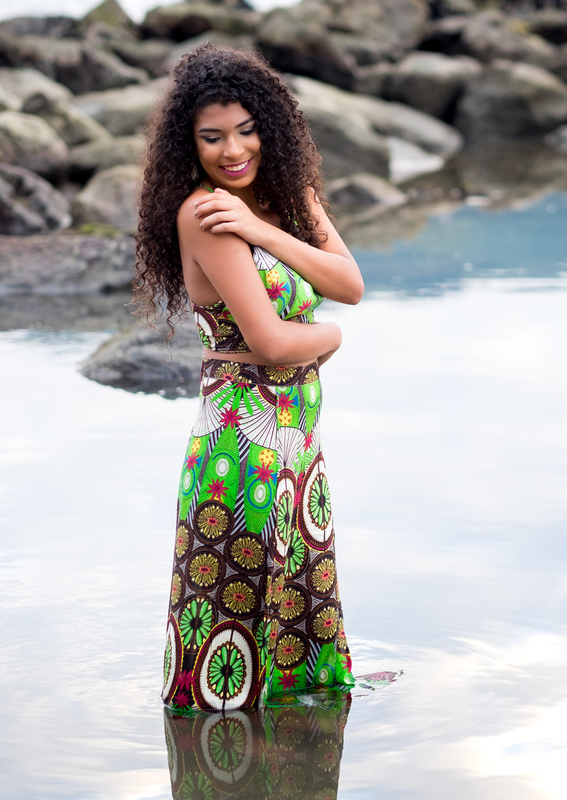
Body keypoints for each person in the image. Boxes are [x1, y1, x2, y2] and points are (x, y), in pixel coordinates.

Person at [133, 44, 364, 713]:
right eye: (211, 138)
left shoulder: (287, 199)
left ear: (271, 126)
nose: (232, 150)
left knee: (297, 634)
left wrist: (267, 228)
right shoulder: (204, 214)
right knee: (230, 651)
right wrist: (332, 339)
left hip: (298, 446)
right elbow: (270, 342)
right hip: (242, 451)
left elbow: (348, 282)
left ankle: (290, 766)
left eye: (245, 130)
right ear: (189, 143)